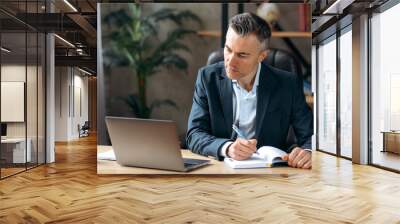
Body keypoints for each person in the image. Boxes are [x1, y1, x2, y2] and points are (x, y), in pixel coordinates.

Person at [186, 12, 313, 169]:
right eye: (228, 49)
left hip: (272, 175)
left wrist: (308, 152)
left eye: (242, 55)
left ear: (262, 56)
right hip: (220, 172)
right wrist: (227, 148)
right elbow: (194, 134)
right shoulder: (207, 78)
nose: (230, 61)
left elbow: (310, 135)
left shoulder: (287, 84)